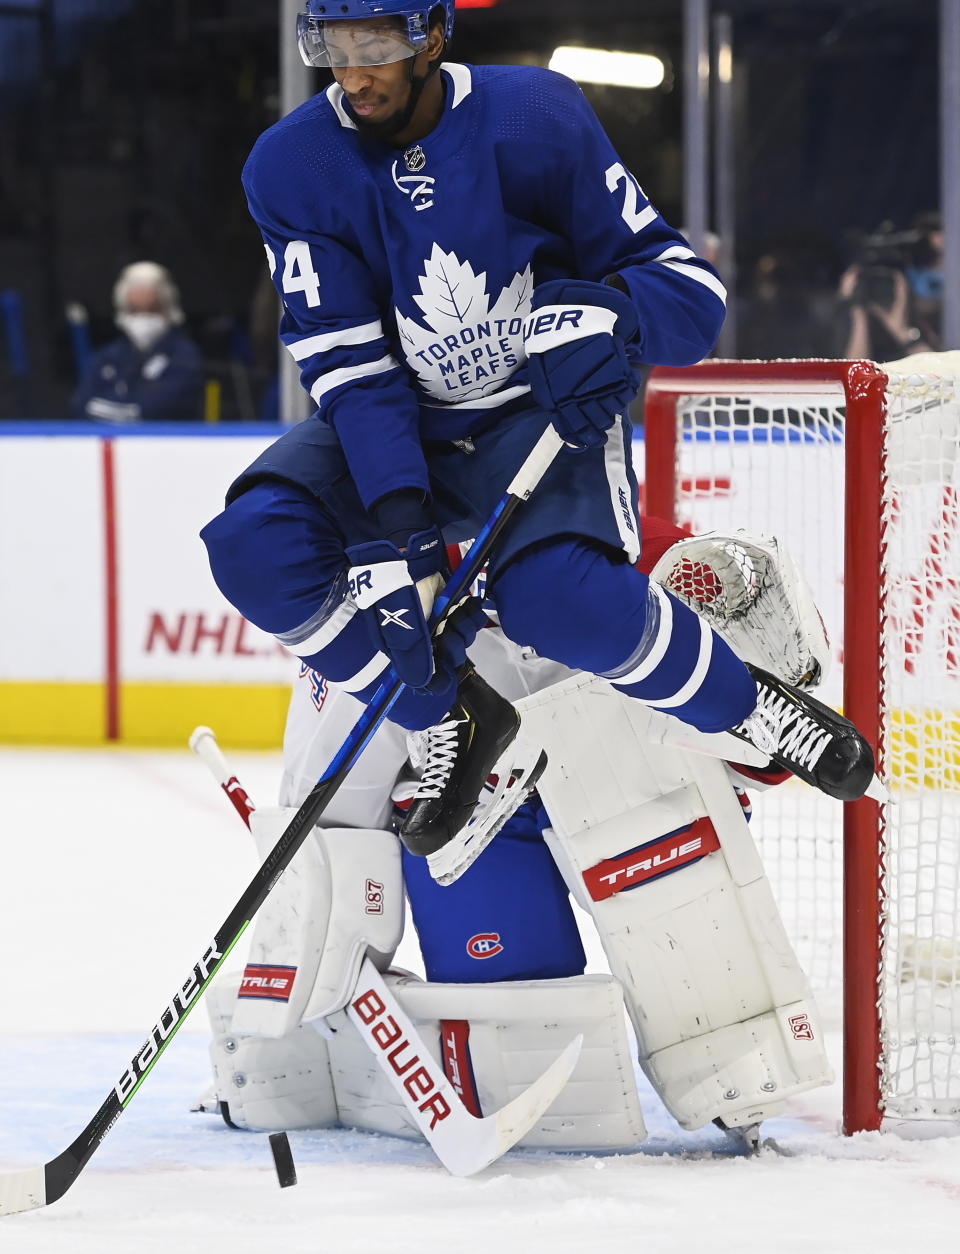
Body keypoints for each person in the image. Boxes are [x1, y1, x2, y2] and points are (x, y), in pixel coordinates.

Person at [200, 0, 875, 886]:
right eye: (328, 44)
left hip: (535, 413)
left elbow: (686, 291)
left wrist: (617, 319)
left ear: (432, 35)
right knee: (253, 546)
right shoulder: (290, 165)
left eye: (374, 43)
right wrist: (400, 526)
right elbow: (354, 370)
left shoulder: (535, 115)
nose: (351, 71)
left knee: (563, 605)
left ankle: (747, 706)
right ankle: (446, 715)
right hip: (394, 422)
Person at [196, 518, 838, 1153]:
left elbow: (755, 744)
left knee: (717, 998)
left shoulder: (663, 563)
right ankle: (306, 1056)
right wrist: (300, 991)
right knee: (516, 1053)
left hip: (634, 787)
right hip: (473, 812)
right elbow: (328, 828)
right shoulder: (385, 614)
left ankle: (732, 1064)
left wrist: (746, 741)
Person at [71, 261, 204, 423]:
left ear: (169, 308)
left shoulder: (185, 357)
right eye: (134, 310)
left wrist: (110, 410)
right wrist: (128, 410)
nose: (144, 318)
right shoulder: (108, 357)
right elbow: (81, 404)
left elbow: (158, 408)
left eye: (152, 309)